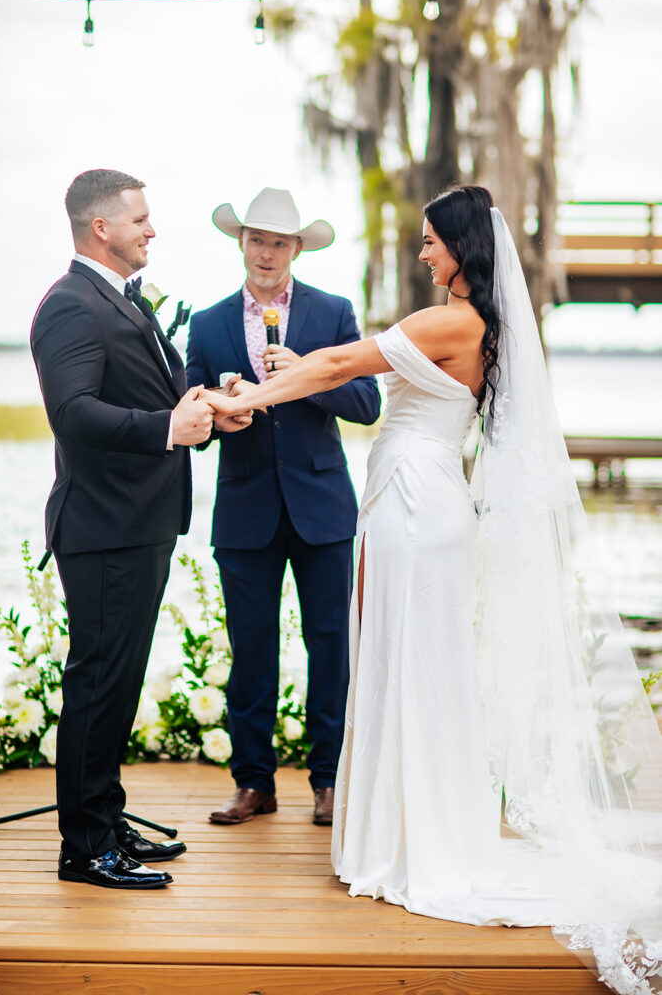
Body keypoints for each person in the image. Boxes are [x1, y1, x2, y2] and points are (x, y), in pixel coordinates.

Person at [206, 185, 662, 993]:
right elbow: (339, 365)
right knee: (407, 664)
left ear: (461, 249)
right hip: (418, 496)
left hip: (416, 505)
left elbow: (344, 363)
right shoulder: (472, 323)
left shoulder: (455, 321)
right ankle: (408, 830)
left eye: (428, 243)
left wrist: (247, 394)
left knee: (408, 665)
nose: (420, 254)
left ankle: (413, 844)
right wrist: (267, 386)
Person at [31, 169, 243, 890]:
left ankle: (105, 818)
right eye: (140, 219)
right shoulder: (70, 306)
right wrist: (165, 427)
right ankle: (84, 848)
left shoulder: (121, 299)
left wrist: (211, 410)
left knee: (118, 685)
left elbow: (159, 398)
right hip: (103, 526)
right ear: (101, 228)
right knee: (97, 683)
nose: (152, 229)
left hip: (139, 523)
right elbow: (74, 413)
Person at [186, 187, 381, 826]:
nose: (266, 253)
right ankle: (254, 784)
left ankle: (328, 782)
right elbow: (193, 417)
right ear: (240, 242)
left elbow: (367, 405)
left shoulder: (332, 313)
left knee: (331, 648)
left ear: (298, 248)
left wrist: (309, 374)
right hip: (244, 510)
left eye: (279, 241)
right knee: (251, 650)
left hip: (323, 508)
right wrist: (223, 416)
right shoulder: (209, 323)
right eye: (256, 239)